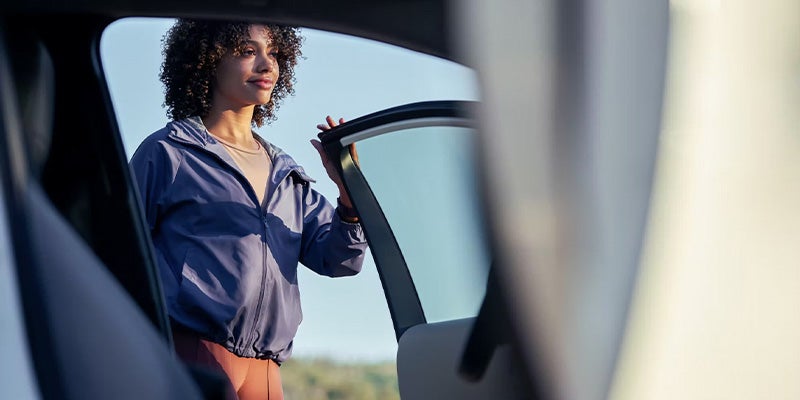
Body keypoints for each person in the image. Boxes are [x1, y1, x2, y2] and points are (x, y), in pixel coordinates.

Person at [129, 19, 368, 400]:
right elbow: (119, 255)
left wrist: (349, 197)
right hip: (192, 353)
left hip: (266, 372)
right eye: (246, 51)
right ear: (208, 61)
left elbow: (340, 261)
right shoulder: (168, 153)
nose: (266, 64)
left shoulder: (286, 174)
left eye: (273, 53)